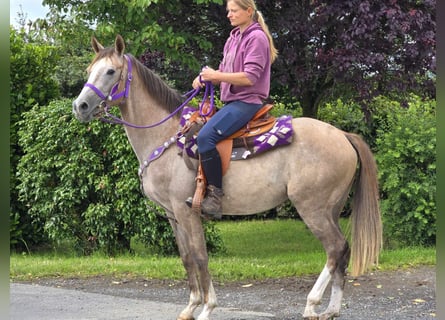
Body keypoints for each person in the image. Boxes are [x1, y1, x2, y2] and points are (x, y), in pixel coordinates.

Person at [187, 0, 278, 218]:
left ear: (248, 11)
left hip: (247, 102)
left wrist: (216, 76)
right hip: (232, 102)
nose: (229, 15)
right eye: (228, 11)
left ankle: (215, 198)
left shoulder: (256, 38)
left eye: (234, 11)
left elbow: (249, 77)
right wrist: (206, 78)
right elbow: (227, 71)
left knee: (205, 138)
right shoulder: (234, 37)